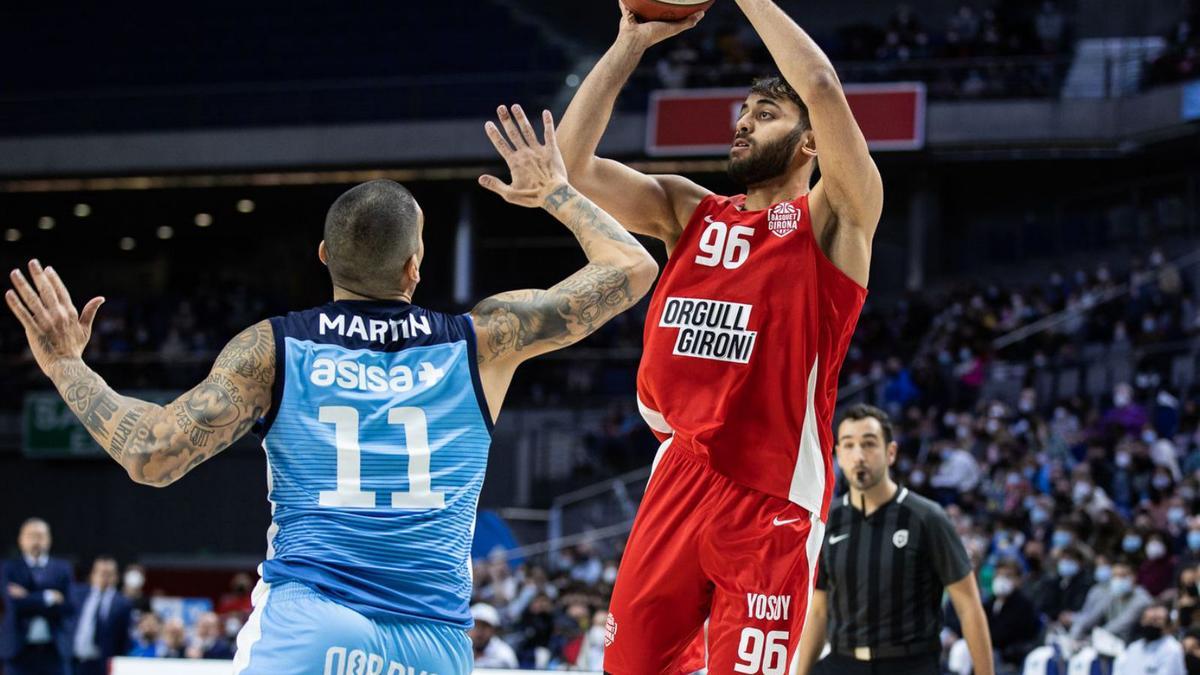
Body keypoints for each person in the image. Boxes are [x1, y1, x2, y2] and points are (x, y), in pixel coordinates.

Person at [4, 106, 657, 674]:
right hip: (431, 645)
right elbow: (632, 266)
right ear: (414, 266)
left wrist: (66, 365)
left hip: (311, 626)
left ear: (323, 254)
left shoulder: (275, 347)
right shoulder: (482, 340)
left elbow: (150, 453)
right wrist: (553, 192)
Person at [556, 0, 884, 670]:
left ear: (810, 142)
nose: (743, 124)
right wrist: (627, 43)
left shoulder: (833, 220)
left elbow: (820, 86)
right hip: (678, 473)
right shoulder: (689, 210)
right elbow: (568, 162)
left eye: (766, 115)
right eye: (742, 113)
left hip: (771, 495)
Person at [794, 406, 994, 675]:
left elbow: (968, 606)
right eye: (849, 445)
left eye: (869, 444)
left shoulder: (927, 518)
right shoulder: (829, 521)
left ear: (891, 453)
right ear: (838, 454)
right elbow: (819, 611)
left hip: (909, 665)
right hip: (841, 662)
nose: (859, 456)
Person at [0, 518, 73, 675]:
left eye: (40, 536)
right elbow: (13, 605)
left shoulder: (62, 568)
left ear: (49, 539)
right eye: (30, 535)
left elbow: (68, 606)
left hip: (53, 652)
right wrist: (47, 597)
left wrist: (27, 597)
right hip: (18, 652)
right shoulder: (8, 568)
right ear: (20, 540)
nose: (35, 540)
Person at [69, 556, 132, 675]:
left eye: (109, 573)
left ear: (116, 577)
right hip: (74, 661)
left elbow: (124, 639)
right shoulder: (77, 595)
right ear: (92, 575)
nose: (104, 577)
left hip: (102, 665)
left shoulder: (123, 603)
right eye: (100, 573)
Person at [1070, 558, 1154, 642]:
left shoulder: (1142, 599)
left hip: (1134, 646)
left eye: (1122, 576)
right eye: (1114, 576)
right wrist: (1075, 635)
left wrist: (1089, 640)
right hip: (1109, 643)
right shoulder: (1112, 595)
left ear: (1133, 577)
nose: (1117, 580)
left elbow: (1118, 625)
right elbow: (1092, 617)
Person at [983, 560, 1040, 668]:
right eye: (998, 575)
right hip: (990, 649)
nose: (1001, 580)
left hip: (1011, 655)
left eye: (1007, 576)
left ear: (1019, 580)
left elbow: (1006, 633)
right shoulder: (989, 603)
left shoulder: (1024, 605)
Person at [1113, 604, 1186, 675]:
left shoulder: (1172, 649)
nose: (1151, 624)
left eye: (1156, 620)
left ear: (1167, 625)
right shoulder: (1133, 648)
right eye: (1148, 620)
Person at [469, 603, 517, 669]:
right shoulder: (460, 649)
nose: (479, 631)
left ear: (494, 630)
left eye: (484, 626)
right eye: (476, 625)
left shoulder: (504, 654)